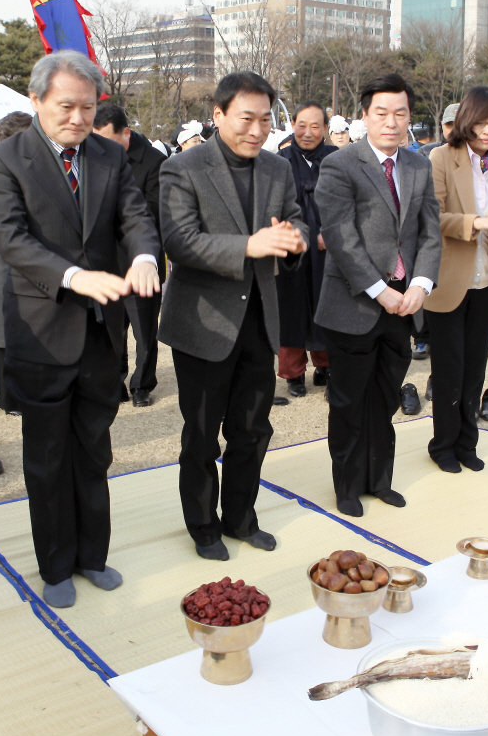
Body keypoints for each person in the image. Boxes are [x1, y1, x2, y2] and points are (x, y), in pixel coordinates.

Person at [0, 51, 160, 609]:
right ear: (36, 102)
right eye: (66, 106)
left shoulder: (108, 153)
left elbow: (133, 215)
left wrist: (147, 256)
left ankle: (91, 555)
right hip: (41, 328)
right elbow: (12, 241)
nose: (78, 118)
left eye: (88, 106)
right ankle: (55, 565)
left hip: (102, 330)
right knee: (48, 455)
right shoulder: (2, 161)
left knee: (94, 449)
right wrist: (75, 277)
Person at [159, 72, 307, 559]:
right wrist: (250, 245)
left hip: (260, 320)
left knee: (252, 429)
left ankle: (241, 517)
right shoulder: (184, 167)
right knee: (201, 434)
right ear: (219, 115)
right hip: (203, 323)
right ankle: (202, 525)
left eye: (266, 119)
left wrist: (294, 240)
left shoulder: (277, 168)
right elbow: (180, 241)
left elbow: (296, 218)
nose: (258, 129)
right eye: (247, 118)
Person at [314, 73, 440, 517]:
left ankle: (379, 480)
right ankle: (347, 486)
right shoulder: (340, 164)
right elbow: (341, 236)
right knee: (348, 400)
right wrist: (378, 290)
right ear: (365, 115)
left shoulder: (419, 164)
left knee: (386, 397)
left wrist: (422, 284)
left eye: (400, 113)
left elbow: (429, 231)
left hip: (403, 304)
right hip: (353, 303)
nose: (392, 122)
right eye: (382, 113)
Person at [425, 87, 488, 472]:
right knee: (448, 368)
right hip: (450, 276)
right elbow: (433, 216)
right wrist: (478, 222)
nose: (487, 131)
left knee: (475, 368)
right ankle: (442, 445)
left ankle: (468, 442)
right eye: (480, 122)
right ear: (466, 119)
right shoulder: (441, 157)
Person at [93, 104, 167, 407]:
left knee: (144, 327)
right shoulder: (91, 157)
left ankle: (142, 383)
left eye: (108, 140)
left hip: (141, 258)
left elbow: (153, 211)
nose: (101, 147)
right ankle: (116, 379)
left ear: (126, 133)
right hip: (105, 260)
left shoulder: (155, 162)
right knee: (111, 327)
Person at [275, 103, 337, 400]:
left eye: (315, 126)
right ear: (293, 125)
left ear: (325, 128)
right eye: (301, 125)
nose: (308, 132)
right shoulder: (279, 161)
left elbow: (351, 202)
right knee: (292, 308)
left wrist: (333, 232)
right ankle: (293, 372)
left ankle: (325, 364)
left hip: (329, 248)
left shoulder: (338, 159)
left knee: (329, 304)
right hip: (294, 250)